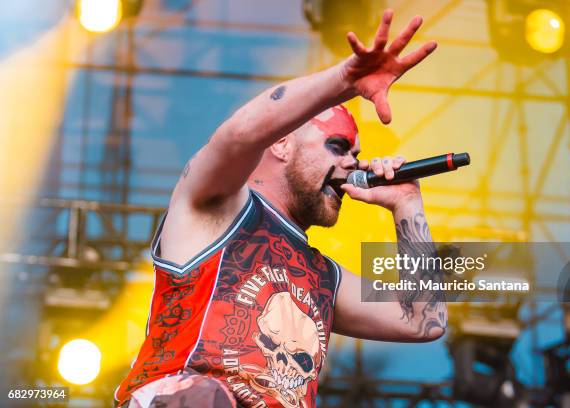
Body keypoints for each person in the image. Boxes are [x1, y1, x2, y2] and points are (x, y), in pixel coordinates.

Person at [115, 9, 447, 408]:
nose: (352, 164)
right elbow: (238, 136)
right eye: (338, 147)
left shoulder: (324, 277)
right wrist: (344, 81)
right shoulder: (219, 207)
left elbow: (425, 323)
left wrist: (407, 203)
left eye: (356, 155)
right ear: (281, 144)